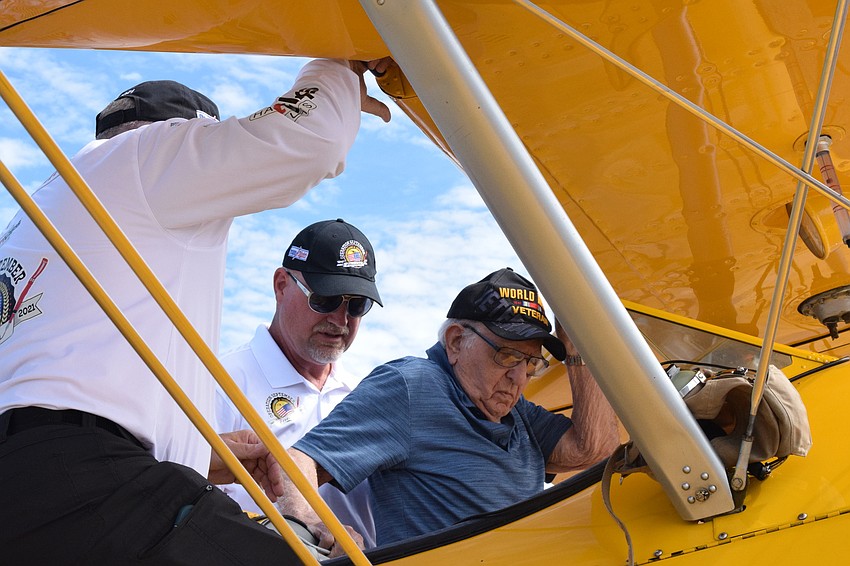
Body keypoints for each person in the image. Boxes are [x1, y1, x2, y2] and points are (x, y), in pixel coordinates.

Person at [0, 57, 392, 564]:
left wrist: (209, 458)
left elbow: (65, 405)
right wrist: (341, 70)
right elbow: (310, 142)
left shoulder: (47, 211)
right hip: (90, 483)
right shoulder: (144, 157)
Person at [279, 267, 620, 550]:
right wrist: (312, 525)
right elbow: (300, 459)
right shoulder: (411, 386)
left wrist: (580, 344)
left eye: (532, 363)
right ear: (456, 341)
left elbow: (594, 448)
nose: (519, 378)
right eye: (507, 356)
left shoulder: (519, 413)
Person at [215, 218, 381, 548]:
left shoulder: (365, 396)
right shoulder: (220, 382)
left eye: (357, 305)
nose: (340, 319)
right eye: (325, 299)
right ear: (281, 285)